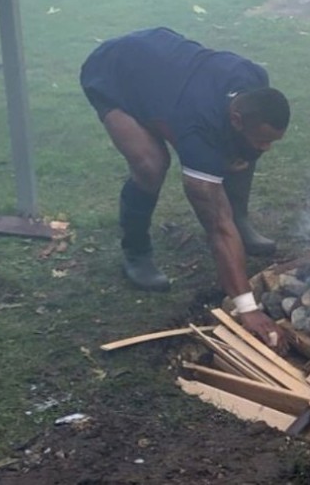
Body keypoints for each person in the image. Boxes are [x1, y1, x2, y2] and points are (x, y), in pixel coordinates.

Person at [80, 27, 288, 351]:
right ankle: (136, 251)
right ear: (235, 119)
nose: (268, 147)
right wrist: (248, 308)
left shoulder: (253, 78)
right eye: (264, 138)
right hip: (114, 74)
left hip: (162, 65)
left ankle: (242, 221)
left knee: (244, 151)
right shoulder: (198, 130)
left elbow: (246, 143)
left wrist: (252, 147)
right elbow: (217, 227)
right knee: (151, 164)